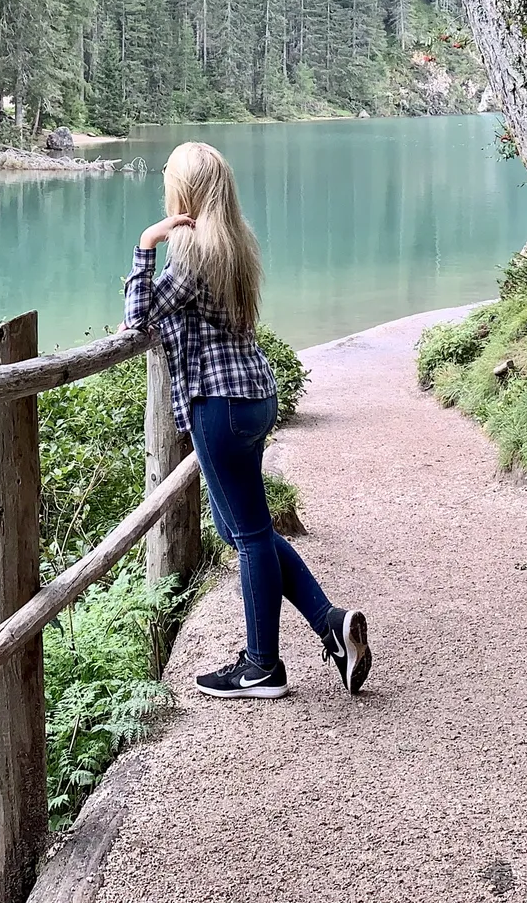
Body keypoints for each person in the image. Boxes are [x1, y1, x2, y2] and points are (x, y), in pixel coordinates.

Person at [124, 140, 371, 699]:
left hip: (221, 405)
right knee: (244, 527)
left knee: (250, 536)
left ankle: (262, 667)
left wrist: (145, 243)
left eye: (168, 176)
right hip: (254, 396)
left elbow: (137, 319)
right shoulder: (234, 244)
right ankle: (331, 624)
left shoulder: (191, 255)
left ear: (184, 189)